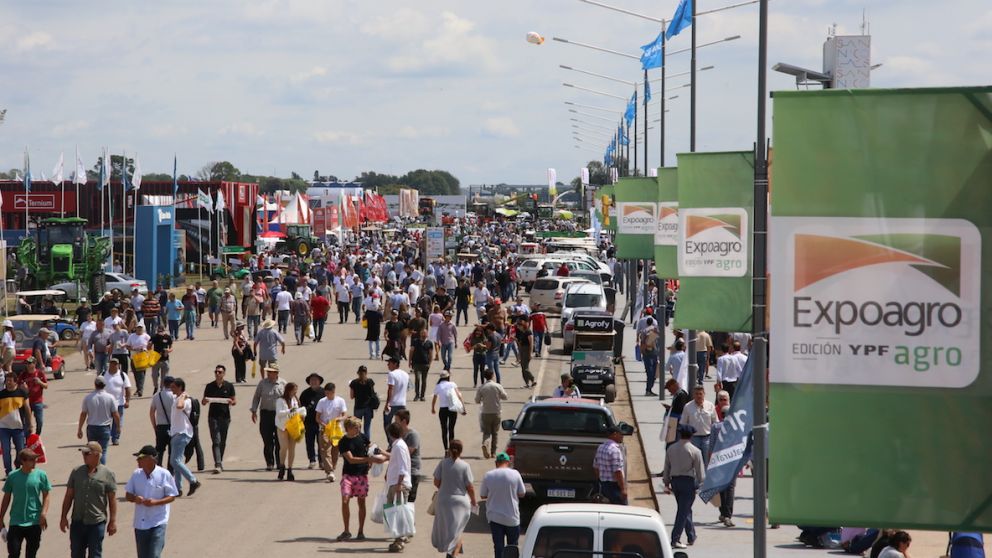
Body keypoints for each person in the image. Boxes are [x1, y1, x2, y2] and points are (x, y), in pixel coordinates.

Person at [59, 442, 118, 558]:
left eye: (87, 454)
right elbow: (69, 496)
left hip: (96, 523)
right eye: (83, 453)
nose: (84, 456)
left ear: (97, 455)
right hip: (77, 522)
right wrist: (63, 517)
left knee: (95, 554)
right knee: (76, 554)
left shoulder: (107, 474)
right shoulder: (76, 472)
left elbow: (112, 499)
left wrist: (113, 521)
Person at [124, 445, 178, 558]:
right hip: (140, 524)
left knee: (154, 555)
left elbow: (172, 496)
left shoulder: (164, 474)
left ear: (151, 459)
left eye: (141, 458)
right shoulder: (136, 474)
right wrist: (135, 498)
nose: (138, 460)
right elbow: (128, 495)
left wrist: (155, 502)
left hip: (158, 522)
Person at [0, 448, 50, 558]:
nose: (35, 461)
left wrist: (43, 513)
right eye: (31, 459)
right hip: (16, 522)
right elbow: (6, 498)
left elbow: (46, 495)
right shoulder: (12, 476)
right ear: (22, 461)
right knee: (13, 553)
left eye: (35, 459)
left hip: (34, 521)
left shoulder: (41, 475)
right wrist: (1, 517)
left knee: (31, 554)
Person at [336, 416, 380, 542]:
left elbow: (372, 447)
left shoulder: (363, 437)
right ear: (349, 428)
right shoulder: (343, 442)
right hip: (348, 475)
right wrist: (368, 459)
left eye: (359, 427)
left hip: (362, 475)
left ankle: (360, 531)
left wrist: (376, 455)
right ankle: (346, 530)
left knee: (361, 503)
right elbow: (351, 459)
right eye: (356, 427)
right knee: (345, 501)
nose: (358, 429)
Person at [431, 439, 476, 558]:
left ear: (449, 450)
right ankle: (453, 555)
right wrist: (474, 501)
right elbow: (470, 487)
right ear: (461, 451)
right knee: (458, 530)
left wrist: (446, 488)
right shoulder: (465, 466)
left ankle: (452, 553)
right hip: (460, 502)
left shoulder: (443, 463)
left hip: (443, 501)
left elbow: (436, 482)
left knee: (448, 530)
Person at [663, 425, 705, 549]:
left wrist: (666, 483)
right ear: (692, 436)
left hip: (675, 482)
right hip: (688, 482)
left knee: (685, 508)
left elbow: (666, 467)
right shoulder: (695, 451)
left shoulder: (671, 448)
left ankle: (691, 535)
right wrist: (701, 485)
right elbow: (700, 472)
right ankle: (675, 539)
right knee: (683, 511)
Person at [479, 452, 525, 558]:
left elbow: (482, 495)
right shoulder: (515, 474)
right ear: (508, 462)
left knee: (498, 547)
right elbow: (522, 493)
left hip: (495, 517)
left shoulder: (488, 475)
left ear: (496, 463)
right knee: (512, 547)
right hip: (512, 517)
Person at [167, 378, 201, 496]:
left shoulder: (185, 400)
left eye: (174, 387)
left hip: (182, 433)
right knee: (177, 462)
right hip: (176, 433)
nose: (172, 389)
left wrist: (182, 396)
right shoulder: (178, 398)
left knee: (174, 461)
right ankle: (178, 488)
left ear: (180, 387)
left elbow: (180, 406)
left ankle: (193, 481)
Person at [250, 365, 286, 471]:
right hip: (265, 414)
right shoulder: (262, 383)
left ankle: (280, 463)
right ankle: (269, 463)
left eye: (271, 371)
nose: (268, 373)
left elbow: (289, 398)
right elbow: (257, 397)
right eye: (268, 371)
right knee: (267, 440)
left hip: (279, 415)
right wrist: (254, 411)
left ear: (276, 373)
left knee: (280, 440)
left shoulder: (283, 383)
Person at [383, 422, 411, 553]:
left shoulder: (399, 447)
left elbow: (402, 468)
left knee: (397, 512)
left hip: (398, 484)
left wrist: (399, 484)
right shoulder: (398, 445)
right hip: (394, 482)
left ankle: (399, 540)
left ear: (390, 434)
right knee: (391, 511)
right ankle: (399, 537)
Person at [202, 365, 236, 474]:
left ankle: (219, 460)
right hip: (213, 417)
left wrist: (231, 402)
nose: (217, 374)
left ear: (224, 374)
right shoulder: (209, 386)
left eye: (220, 372)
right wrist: (205, 400)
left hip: (225, 417)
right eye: (216, 372)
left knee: (223, 441)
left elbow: (234, 400)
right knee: (216, 440)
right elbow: (203, 402)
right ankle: (218, 464)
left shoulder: (229, 386)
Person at [78, 377, 119, 465]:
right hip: (104, 428)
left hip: (92, 428)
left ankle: (91, 469)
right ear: (104, 385)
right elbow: (115, 414)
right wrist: (118, 427)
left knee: (91, 451)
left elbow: (83, 414)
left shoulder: (88, 397)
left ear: (95, 385)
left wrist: (79, 428)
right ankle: (101, 471)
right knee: (102, 452)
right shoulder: (110, 397)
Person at [315, 382, 347, 482]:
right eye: (327, 393)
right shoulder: (322, 401)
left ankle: (332, 469)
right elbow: (317, 417)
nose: (328, 395)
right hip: (325, 429)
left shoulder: (340, 401)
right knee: (325, 450)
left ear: (334, 391)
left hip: (337, 430)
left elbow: (345, 415)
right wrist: (324, 425)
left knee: (335, 451)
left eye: (330, 393)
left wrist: (339, 419)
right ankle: (329, 471)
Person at [0, 374, 31, 476]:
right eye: (7, 380)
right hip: (4, 428)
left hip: (18, 428)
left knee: (20, 451)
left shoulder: (22, 393)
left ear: (15, 382)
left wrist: (30, 424)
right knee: (6, 451)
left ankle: (18, 470)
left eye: (10, 381)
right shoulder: (1, 394)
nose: (8, 382)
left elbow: (27, 409)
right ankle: (8, 472)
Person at [679, 386, 717, 465]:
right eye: (696, 394)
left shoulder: (710, 405)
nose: (699, 396)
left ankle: (706, 477)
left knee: (707, 461)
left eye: (700, 394)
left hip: (707, 438)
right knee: (694, 461)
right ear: (693, 395)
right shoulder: (688, 406)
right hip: (694, 438)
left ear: (704, 394)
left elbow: (715, 422)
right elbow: (683, 423)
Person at [274, 382, 305, 481]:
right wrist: (291, 410)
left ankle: (290, 469)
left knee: (292, 448)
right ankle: (282, 466)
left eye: (296, 390)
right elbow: (279, 413)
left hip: (293, 426)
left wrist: (302, 414)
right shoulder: (280, 400)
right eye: (293, 390)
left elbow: (299, 410)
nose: (295, 392)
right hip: (282, 426)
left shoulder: (295, 400)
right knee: (284, 447)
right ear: (288, 390)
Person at [474, 368, 507, 459]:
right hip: (496, 412)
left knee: (486, 432)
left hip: (485, 412)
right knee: (495, 433)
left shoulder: (482, 387)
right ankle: (493, 453)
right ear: (493, 376)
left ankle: (485, 443)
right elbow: (505, 397)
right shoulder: (498, 386)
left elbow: (477, 400)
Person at [431, 372, 467, 452]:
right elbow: (459, 396)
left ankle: (446, 449)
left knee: (444, 429)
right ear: (448, 377)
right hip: (452, 409)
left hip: (443, 409)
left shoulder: (438, 386)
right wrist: (463, 408)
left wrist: (433, 408)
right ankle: (451, 448)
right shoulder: (452, 384)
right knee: (451, 429)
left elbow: (434, 398)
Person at [593, 425, 628, 505]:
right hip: (614, 487)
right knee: (620, 510)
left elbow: (595, 467)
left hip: (603, 486)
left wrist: (600, 480)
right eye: (621, 434)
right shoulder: (614, 450)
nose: (622, 437)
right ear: (615, 434)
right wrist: (623, 489)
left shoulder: (600, 447)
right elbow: (617, 471)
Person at [101, 359, 131, 447]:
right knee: (105, 421)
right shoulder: (103, 374)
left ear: (118, 365)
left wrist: (128, 401)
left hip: (119, 403)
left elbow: (128, 388)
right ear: (109, 364)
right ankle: (105, 437)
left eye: (116, 364)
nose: (114, 365)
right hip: (105, 403)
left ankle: (115, 438)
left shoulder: (122, 375)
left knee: (117, 422)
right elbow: (98, 386)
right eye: (112, 364)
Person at [148, 377, 175, 470]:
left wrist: (154, 426)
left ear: (163, 384)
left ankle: (157, 469)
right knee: (172, 451)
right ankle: (170, 472)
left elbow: (152, 412)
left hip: (161, 426)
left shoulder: (157, 395)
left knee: (159, 450)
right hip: (173, 426)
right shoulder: (174, 396)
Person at [299, 373, 324, 470]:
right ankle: (312, 460)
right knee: (309, 442)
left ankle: (321, 461)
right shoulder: (305, 393)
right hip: (308, 422)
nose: (313, 381)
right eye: (312, 380)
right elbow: (300, 407)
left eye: (315, 380)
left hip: (321, 422)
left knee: (321, 442)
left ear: (319, 381)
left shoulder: (323, 392)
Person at [16, 359, 47, 437]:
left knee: (40, 422)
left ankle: (36, 436)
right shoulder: (23, 375)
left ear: (34, 363)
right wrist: (22, 387)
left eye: (29, 363)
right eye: (26, 364)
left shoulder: (39, 373)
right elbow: (17, 386)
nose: (27, 365)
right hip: (26, 402)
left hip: (37, 401)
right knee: (27, 422)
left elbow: (46, 385)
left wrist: (40, 382)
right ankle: (28, 439)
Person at [382, 357, 409, 440]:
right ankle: (402, 440)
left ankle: (391, 441)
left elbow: (390, 389)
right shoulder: (406, 374)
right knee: (402, 424)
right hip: (402, 403)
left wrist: (387, 403)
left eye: (389, 363)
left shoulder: (392, 374)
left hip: (393, 403)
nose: (388, 365)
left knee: (387, 423)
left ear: (395, 364)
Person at [349, 366, 376, 440]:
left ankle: (359, 443)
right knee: (367, 428)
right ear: (366, 373)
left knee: (357, 427)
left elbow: (351, 396)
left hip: (358, 408)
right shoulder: (370, 381)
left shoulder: (354, 383)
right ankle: (367, 445)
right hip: (368, 408)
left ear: (358, 373)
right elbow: (372, 394)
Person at [409, 327, 433, 402]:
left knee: (424, 380)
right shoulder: (415, 341)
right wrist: (409, 361)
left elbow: (431, 354)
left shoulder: (429, 343)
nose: (423, 335)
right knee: (417, 379)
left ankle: (422, 396)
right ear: (420, 334)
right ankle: (417, 395)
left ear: (427, 335)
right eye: (422, 333)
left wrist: (430, 363)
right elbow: (411, 351)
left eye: (425, 333)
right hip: (416, 364)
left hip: (425, 364)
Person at [127, 323, 151, 397]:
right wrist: (133, 348)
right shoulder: (131, 336)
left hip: (143, 357)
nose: (139, 329)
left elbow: (150, 346)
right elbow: (127, 346)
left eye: (141, 328)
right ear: (136, 328)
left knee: (141, 374)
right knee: (136, 374)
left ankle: (140, 389)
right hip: (134, 356)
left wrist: (144, 349)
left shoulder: (146, 336)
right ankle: (138, 388)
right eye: (138, 328)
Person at [640, 318, 662, 396]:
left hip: (647, 354)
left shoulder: (644, 331)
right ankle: (648, 389)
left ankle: (649, 389)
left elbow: (642, 343)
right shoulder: (656, 330)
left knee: (650, 373)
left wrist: (642, 352)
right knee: (653, 374)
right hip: (654, 354)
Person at [148, 327, 173, 394]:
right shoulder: (154, 337)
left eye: (161, 331)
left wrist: (168, 350)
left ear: (164, 331)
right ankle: (156, 386)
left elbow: (171, 348)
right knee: (154, 375)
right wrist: (149, 346)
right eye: (159, 331)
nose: (160, 333)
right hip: (156, 359)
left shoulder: (168, 337)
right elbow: (149, 347)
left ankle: (162, 390)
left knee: (164, 377)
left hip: (165, 359)